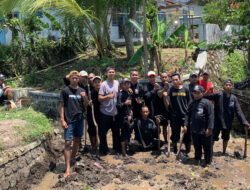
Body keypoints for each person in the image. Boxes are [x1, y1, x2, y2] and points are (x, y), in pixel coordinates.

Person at [205, 79, 250, 154]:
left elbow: (239, 111)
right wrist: (209, 89)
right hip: (217, 120)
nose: (228, 86)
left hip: (228, 121)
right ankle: (209, 152)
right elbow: (205, 97)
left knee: (226, 138)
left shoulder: (234, 98)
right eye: (226, 85)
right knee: (213, 137)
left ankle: (223, 152)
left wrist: (245, 122)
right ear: (224, 86)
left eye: (230, 85)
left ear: (232, 87)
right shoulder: (218, 95)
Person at [59, 70, 88, 178]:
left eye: (76, 78)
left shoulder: (82, 90)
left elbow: (85, 106)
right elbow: (61, 106)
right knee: (67, 143)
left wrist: (84, 97)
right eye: (73, 78)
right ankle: (67, 168)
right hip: (69, 120)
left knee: (77, 140)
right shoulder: (65, 91)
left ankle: (73, 157)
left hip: (80, 119)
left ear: (79, 79)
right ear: (69, 79)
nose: (75, 80)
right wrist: (62, 119)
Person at [184, 85, 214, 165]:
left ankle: (208, 161)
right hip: (194, 129)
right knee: (197, 146)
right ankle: (197, 158)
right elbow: (187, 114)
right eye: (194, 93)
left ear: (202, 93)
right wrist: (185, 125)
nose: (195, 94)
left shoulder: (207, 103)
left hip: (205, 130)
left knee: (207, 147)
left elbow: (211, 116)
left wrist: (210, 128)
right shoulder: (192, 103)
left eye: (197, 93)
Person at [163, 73, 191, 154]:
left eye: (176, 80)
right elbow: (167, 105)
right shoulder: (170, 90)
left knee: (187, 133)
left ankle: (187, 149)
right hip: (174, 116)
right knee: (175, 134)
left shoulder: (186, 89)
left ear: (180, 80)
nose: (175, 82)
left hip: (185, 115)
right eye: (173, 80)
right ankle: (175, 148)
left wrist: (188, 113)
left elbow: (189, 102)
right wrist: (164, 97)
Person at [98, 67, 120, 155]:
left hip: (115, 113)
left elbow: (119, 93)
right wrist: (108, 97)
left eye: (113, 72)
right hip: (105, 113)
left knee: (116, 132)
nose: (111, 73)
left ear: (115, 73)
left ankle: (116, 149)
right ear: (106, 74)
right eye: (109, 72)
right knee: (103, 133)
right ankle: (104, 150)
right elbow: (99, 98)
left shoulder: (117, 83)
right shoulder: (103, 84)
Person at [117, 78, 133, 156]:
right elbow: (118, 105)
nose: (127, 86)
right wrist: (125, 103)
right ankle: (123, 152)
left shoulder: (129, 94)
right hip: (122, 117)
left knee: (129, 133)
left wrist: (131, 114)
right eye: (125, 84)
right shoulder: (120, 94)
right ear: (122, 85)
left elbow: (130, 106)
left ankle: (127, 149)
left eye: (128, 84)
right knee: (123, 134)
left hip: (129, 117)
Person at [156, 72, 171, 143]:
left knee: (171, 127)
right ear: (160, 78)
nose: (164, 78)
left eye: (166, 77)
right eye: (163, 77)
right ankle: (165, 141)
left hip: (171, 110)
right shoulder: (159, 87)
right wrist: (164, 88)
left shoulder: (172, 86)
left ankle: (172, 141)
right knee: (163, 127)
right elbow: (159, 95)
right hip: (162, 110)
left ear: (168, 77)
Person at [87, 76, 102, 151]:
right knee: (92, 130)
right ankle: (94, 146)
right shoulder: (90, 93)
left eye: (98, 82)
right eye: (95, 82)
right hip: (92, 114)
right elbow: (85, 102)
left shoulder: (103, 91)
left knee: (101, 131)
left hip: (101, 114)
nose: (97, 84)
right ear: (93, 84)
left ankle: (100, 145)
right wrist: (88, 103)